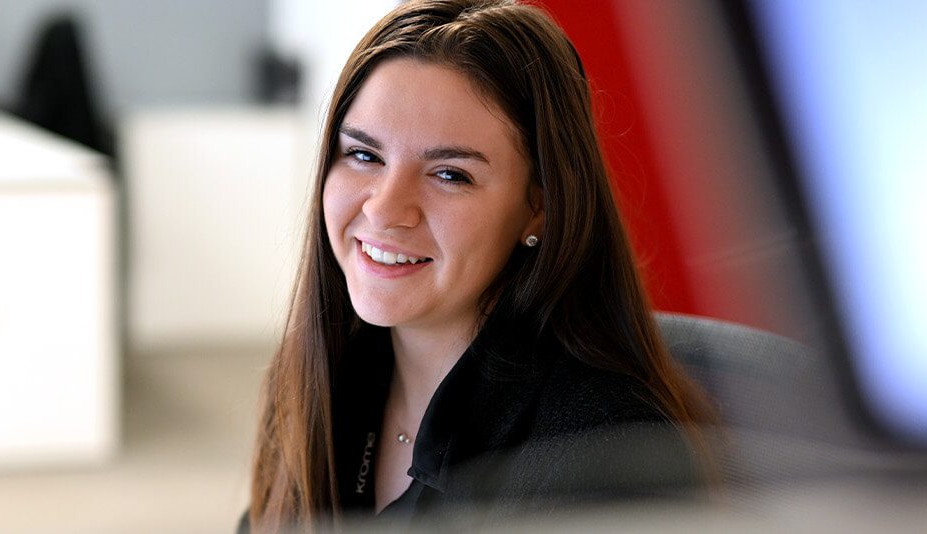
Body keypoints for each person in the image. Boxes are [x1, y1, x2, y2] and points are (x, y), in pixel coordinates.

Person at [243, 1, 719, 531]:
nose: (383, 209)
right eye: (364, 155)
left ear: (538, 206)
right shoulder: (323, 367)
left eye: (450, 174)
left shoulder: (600, 462)